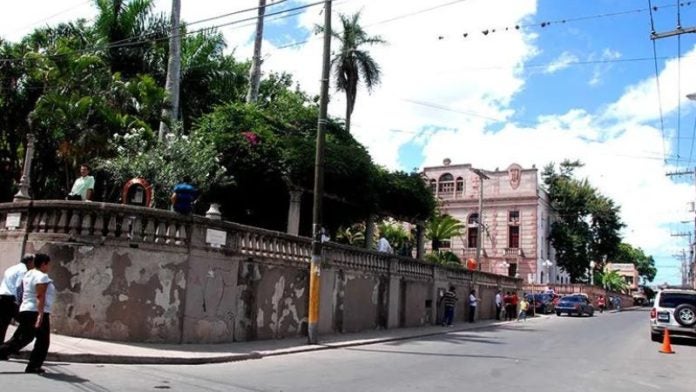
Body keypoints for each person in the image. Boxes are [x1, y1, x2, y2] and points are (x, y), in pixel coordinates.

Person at [0, 253, 55, 373]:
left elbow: (21, 290)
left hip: (27, 309)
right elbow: (40, 296)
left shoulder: (28, 274)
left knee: (22, 339)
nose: (49, 267)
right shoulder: (42, 277)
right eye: (48, 264)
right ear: (43, 264)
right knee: (43, 341)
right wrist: (40, 315)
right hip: (37, 311)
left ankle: (33, 365)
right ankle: (34, 366)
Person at [0, 254, 34, 341]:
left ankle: (4, 346)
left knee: (3, 324)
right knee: (26, 322)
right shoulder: (23, 271)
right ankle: (11, 345)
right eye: (34, 263)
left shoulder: (11, 268)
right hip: (11, 300)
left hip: (2, 297)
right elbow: (19, 287)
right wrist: (20, 302)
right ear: (29, 262)